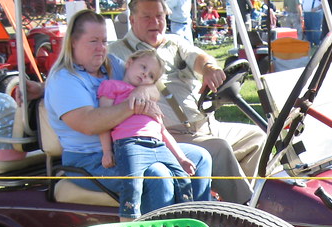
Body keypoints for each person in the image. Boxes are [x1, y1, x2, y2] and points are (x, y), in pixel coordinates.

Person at [44, 9, 213, 217]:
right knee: (157, 175)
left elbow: (152, 85)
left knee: (200, 157)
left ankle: (197, 223)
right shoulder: (64, 80)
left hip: (134, 146)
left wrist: (142, 91)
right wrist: (134, 104)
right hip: (91, 159)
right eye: (93, 41)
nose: (101, 48)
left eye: (104, 41)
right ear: (73, 42)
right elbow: (90, 124)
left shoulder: (112, 64)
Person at [111, 0, 264, 203]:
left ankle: (239, 201)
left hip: (205, 125)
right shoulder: (117, 53)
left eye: (159, 16)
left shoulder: (174, 42)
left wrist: (209, 68)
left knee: (257, 137)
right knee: (219, 148)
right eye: (147, 17)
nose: (154, 22)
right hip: (168, 134)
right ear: (132, 20)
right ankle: (247, 209)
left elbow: (197, 57)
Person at [99, 49, 211, 218]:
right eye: (143, 67)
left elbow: (163, 131)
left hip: (158, 144)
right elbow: (104, 121)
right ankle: (129, 225)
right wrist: (107, 151)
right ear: (129, 63)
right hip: (130, 144)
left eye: (151, 75)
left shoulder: (149, 98)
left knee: (182, 178)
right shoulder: (112, 86)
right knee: (133, 185)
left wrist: (181, 158)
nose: (145, 74)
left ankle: (188, 218)